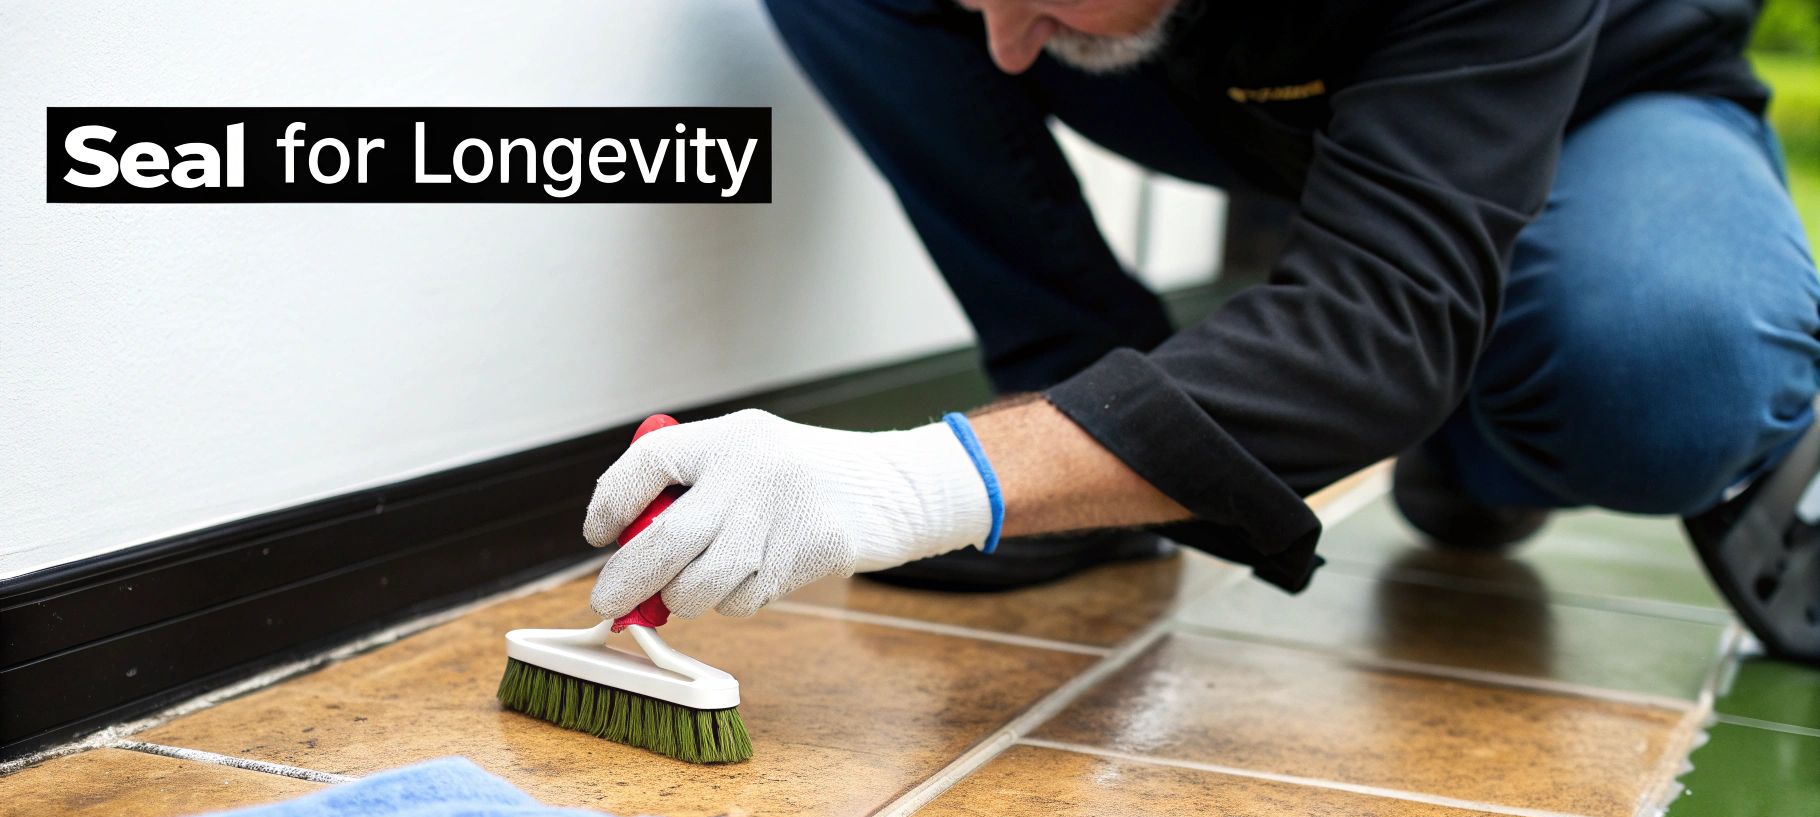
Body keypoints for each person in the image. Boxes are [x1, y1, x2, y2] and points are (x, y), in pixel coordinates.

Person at [583, 0, 1820, 660]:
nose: (999, 46)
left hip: (1592, 94)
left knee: (1666, 373)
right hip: (1234, 74)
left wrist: (914, 480)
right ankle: (1081, 440)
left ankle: (1484, 438)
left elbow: (1369, 330)